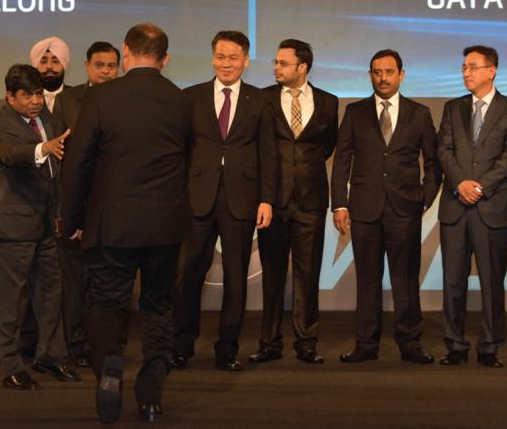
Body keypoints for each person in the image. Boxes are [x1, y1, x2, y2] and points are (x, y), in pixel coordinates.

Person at [61, 23, 193, 424]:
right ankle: (151, 391)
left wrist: (72, 219)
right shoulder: (181, 100)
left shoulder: (101, 97)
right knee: (158, 306)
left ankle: (109, 366)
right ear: (165, 59)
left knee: (105, 303)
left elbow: (78, 163)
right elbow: (188, 161)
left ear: (126, 51)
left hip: (113, 223)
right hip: (165, 224)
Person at [173, 30, 278, 371]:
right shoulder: (191, 97)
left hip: (241, 200)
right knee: (189, 274)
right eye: (221, 56)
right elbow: (181, 152)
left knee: (235, 277)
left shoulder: (260, 100)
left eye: (233, 58)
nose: (226, 64)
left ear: (245, 61)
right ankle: (181, 345)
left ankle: (227, 349)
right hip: (197, 199)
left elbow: (268, 153)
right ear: (212, 58)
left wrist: (266, 199)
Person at [331, 49, 441, 364]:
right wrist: (339, 204)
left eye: (389, 72)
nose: (382, 78)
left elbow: (433, 161)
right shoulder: (355, 112)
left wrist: (424, 197)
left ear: (401, 75)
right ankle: (366, 344)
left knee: (405, 279)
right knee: (367, 280)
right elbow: (342, 159)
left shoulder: (419, 113)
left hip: (404, 210)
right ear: (370, 75)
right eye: (377, 72)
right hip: (364, 209)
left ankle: (410, 343)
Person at [31, 36, 122, 368]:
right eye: (99, 65)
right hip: (77, 204)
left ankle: (110, 345)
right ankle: (77, 345)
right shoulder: (68, 100)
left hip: (119, 204)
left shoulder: (127, 97)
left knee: (113, 281)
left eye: (112, 66)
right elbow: (61, 157)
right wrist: (67, 211)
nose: (106, 71)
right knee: (75, 281)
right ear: (86, 67)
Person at [0, 64, 78, 389]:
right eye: (27, 95)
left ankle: (50, 357)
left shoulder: (46, 118)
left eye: (38, 94)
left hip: (45, 225)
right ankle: (11, 365)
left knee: (50, 295)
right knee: (12, 301)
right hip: (13, 227)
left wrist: (60, 213)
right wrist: (44, 148)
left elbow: (54, 176)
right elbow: (11, 154)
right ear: (10, 96)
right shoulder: (1, 124)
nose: (35, 101)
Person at [249, 39, 338, 366]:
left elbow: (326, 147)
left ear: (303, 67)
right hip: (273, 201)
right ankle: (269, 342)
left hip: (311, 201)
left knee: (307, 275)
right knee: (272, 276)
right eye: (276, 62)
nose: (276, 67)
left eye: (283, 63)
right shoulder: (263, 98)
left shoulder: (328, 101)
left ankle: (306, 342)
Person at [436, 46, 507, 368]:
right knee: (453, 281)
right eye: (463, 67)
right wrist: (460, 183)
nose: (466, 73)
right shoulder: (453, 108)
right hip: (455, 204)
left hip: (491, 207)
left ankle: (489, 346)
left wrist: (479, 186)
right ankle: (455, 344)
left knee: (491, 282)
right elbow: (443, 150)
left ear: (492, 71)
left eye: (473, 67)